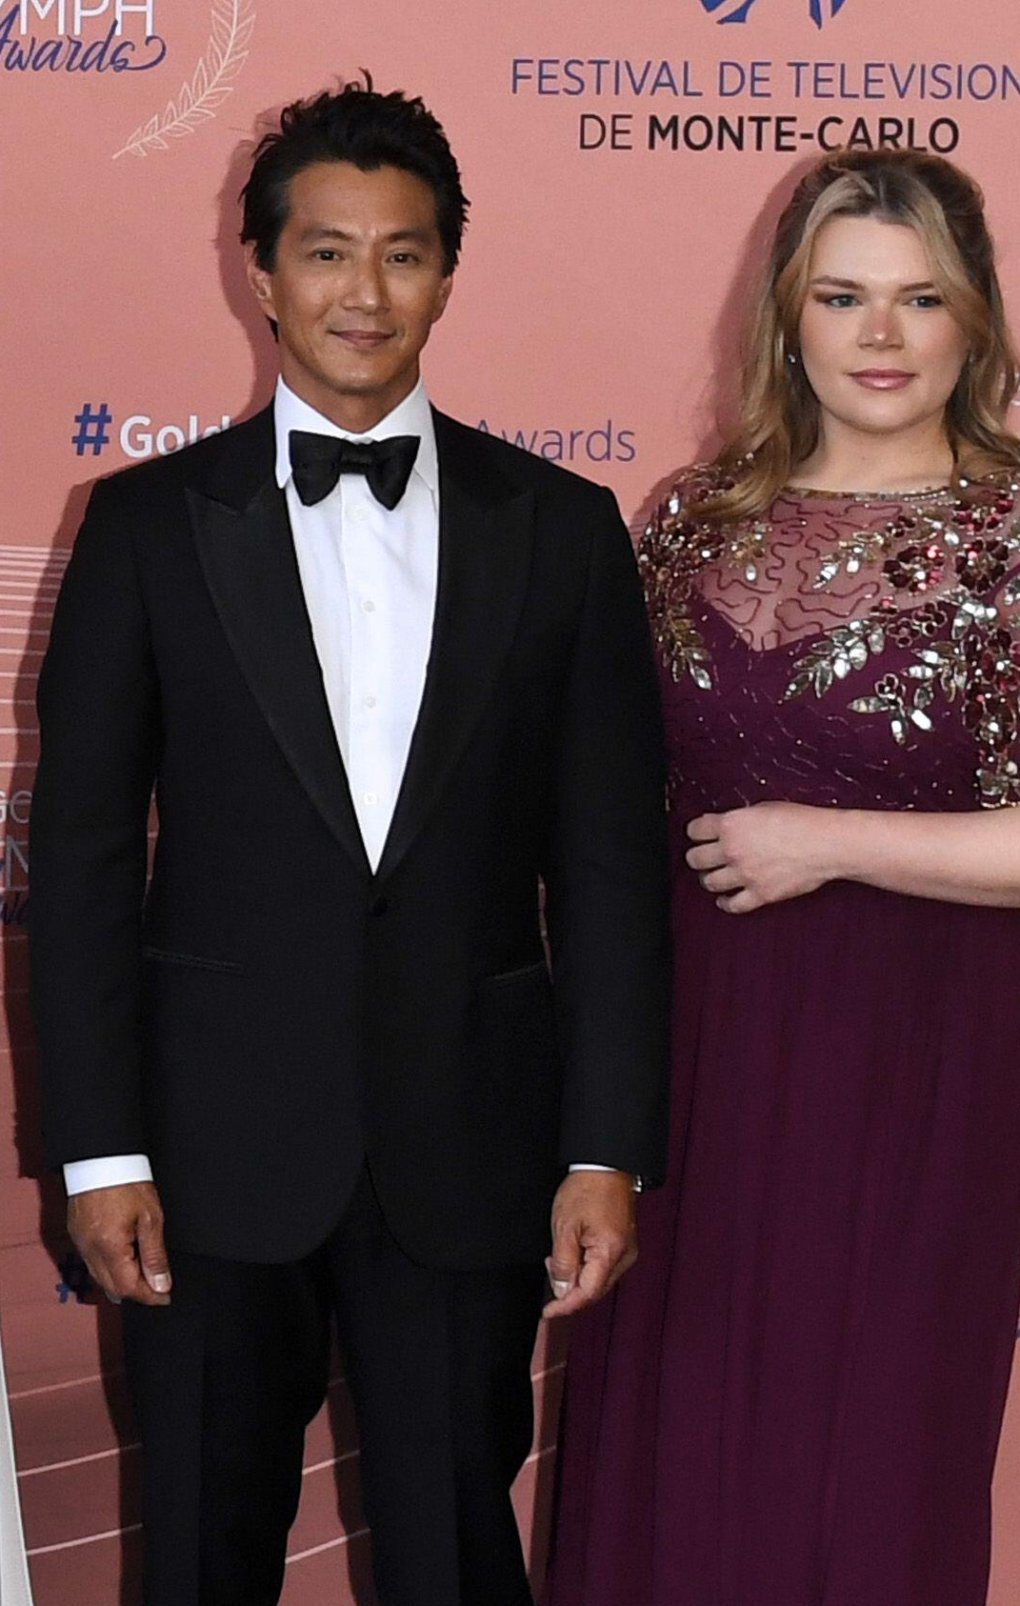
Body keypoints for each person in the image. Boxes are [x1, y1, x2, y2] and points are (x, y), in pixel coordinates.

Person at [30, 79, 670, 1606]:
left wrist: (605, 1143)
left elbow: (609, 870)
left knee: (458, 1549)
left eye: (401, 254)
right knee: (199, 1550)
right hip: (206, 1156)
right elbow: (84, 867)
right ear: (259, 272)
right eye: (325, 253)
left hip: (470, 1143)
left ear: (450, 271)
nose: (362, 293)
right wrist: (102, 1147)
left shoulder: (565, 531)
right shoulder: (144, 526)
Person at [542, 148, 1020, 1606]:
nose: (881, 336)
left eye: (920, 299)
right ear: (788, 317)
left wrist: (828, 840)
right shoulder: (690, 522)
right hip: (692, 1065)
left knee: (869, 1453)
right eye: (843, 296)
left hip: (905, 1070)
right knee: (677, 1446)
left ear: (976, 323)